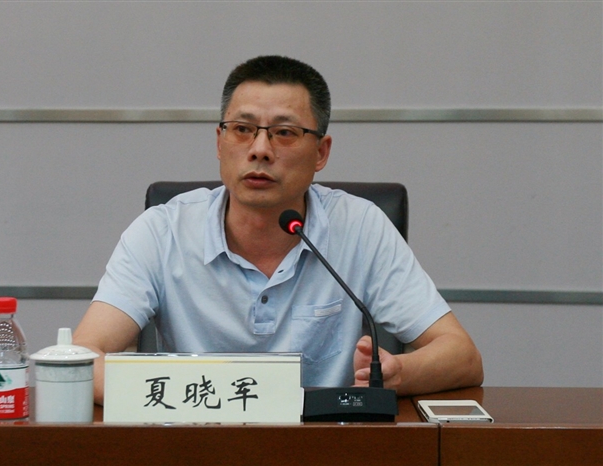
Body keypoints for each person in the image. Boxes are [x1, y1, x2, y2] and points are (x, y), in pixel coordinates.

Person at [73, 55, 483, 404]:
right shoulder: (162, 231)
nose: (260, 149)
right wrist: (188, 397)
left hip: (323, 446)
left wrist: (398, 374)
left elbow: (462, 356)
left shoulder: (359, 227)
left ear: (321, 152)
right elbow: (82, 359)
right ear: (219, 142)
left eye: (284, 133)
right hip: (197, 443)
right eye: (242, 129)